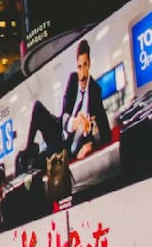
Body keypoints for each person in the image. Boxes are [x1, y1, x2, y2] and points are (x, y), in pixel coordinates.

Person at [21, 39, 111, 169]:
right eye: (79, 67)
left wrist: (91, 145)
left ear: (89, 64)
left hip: (67, 146)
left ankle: (35, 159)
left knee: (38, 163)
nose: (82, 74)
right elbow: (64, 114)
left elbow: (106, 134)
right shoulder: (73, 79)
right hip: (59, 130)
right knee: (37, 107)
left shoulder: (95, 91)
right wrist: (74, 123)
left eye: (85, 65)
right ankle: (28, 151)